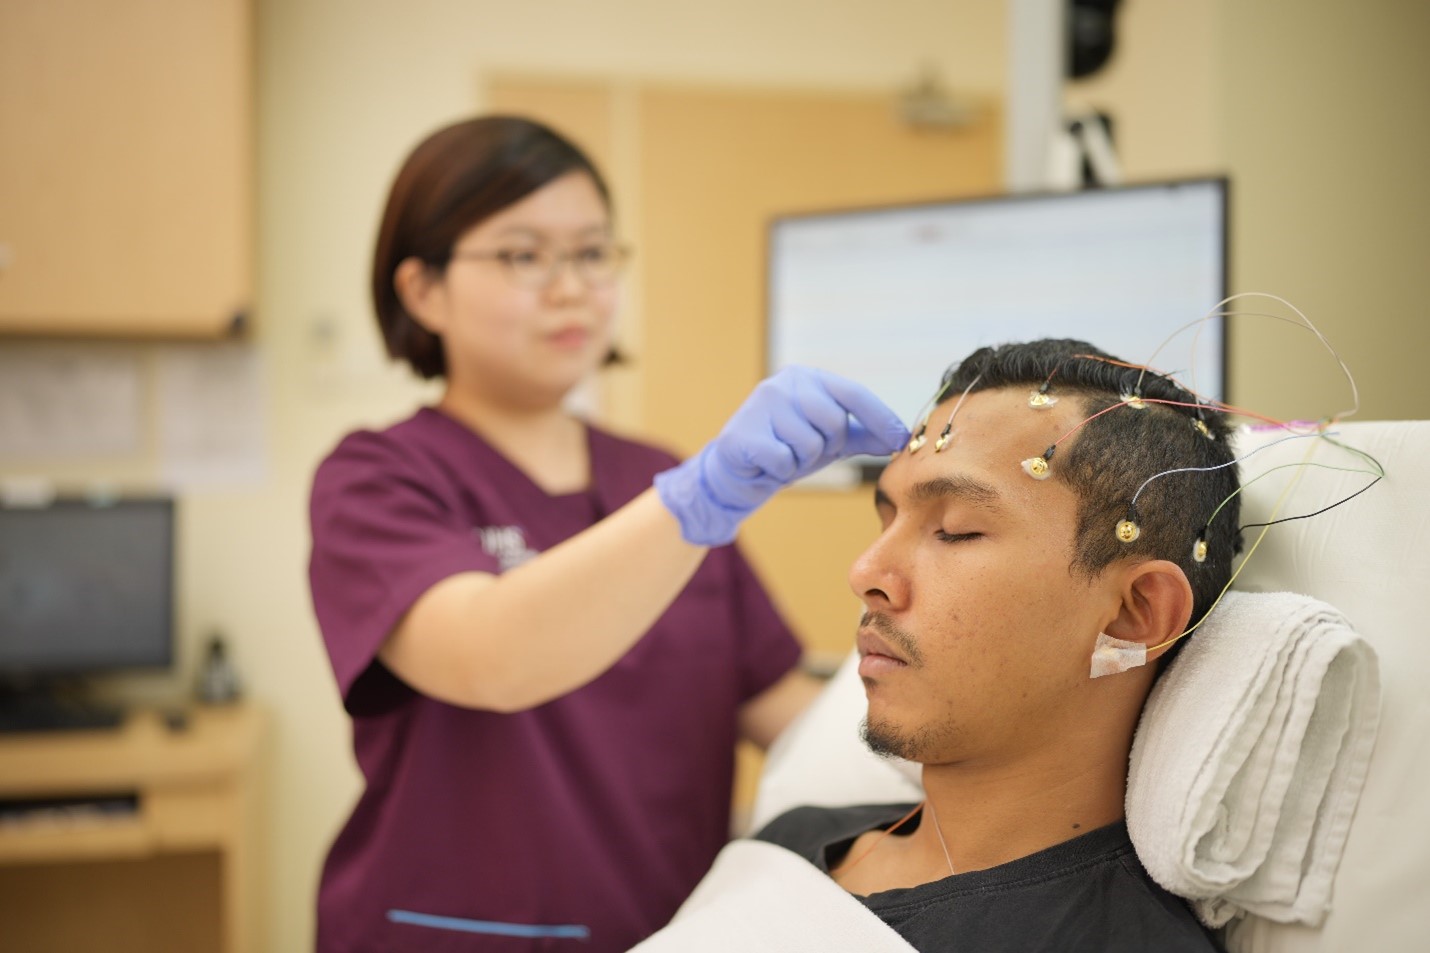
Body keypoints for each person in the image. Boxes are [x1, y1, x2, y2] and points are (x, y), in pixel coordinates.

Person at [306, 115, 908, 953]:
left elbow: (784, 713)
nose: (571, 287)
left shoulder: (648, 479)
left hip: (668, 926)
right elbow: (491, 652)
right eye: (523, 255)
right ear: (422, 290)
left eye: (593, 254)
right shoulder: (378, 477)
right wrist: (699, 498)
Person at [745, 339, 1235, 951]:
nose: (865, 572)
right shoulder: (792, 845)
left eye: (953, 532)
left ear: (1135, 615)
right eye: (885, 519)